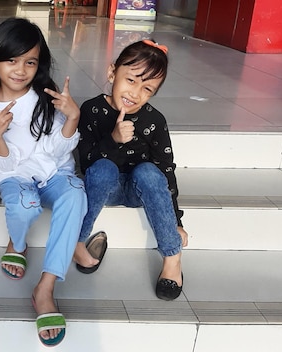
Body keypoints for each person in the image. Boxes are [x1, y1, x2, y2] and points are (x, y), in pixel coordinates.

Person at [0, 17, 86, 347]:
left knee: (76, 194)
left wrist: (72, 118)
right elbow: (0, 164)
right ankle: (17, 243)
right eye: (12, 60)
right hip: (13, 175)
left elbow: (55, 150)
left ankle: (46, 287)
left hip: (53, 172)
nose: (21, 69)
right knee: (25, 205)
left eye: (30, 61)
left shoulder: (47, 99)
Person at [74, 39, 189, 301]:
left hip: (141, 189)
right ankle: (78, 242)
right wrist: (113, 139)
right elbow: (87, 163)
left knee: (149, 171)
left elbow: (166, 170)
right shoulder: (92, 110)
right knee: (102, 168)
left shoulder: (154, 120)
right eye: (131, 80)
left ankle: (172, 257)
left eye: (147, 88)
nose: (135, 93)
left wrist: (176, 221)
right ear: (112, 73)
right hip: (107, 187)